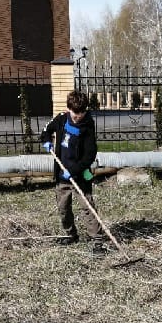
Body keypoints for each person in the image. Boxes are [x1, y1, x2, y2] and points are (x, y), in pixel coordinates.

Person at [40, 90, 104, 249]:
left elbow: (90, 155)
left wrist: (74, 171)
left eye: (81, 112)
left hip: (80, 175)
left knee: (88, 208)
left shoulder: (88, 125)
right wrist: (46, 140)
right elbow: (46, 130)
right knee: (63, 208)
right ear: (69, 109)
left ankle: (96, 240)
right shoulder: (62, 119)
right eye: (75, 112)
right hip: (62, 175)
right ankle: (71, 234)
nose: (78, 116)